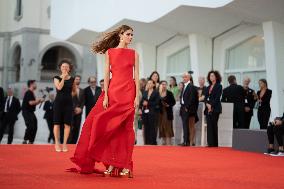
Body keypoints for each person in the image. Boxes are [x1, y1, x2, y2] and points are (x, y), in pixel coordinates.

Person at [71, 25, 139, 178]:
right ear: (121, 35)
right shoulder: (110, 53)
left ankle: (126, 165)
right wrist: (106, 95)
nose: (130, 37)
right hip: (113, 93)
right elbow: (107, 76)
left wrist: (137, 97)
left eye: (132, 35)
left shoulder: (134, 54)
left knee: (126, 129)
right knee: (98, 123)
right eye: (128, 34)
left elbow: (137, 77)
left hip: (128, 93)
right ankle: (111, 163)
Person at [53, 59, 76, 152]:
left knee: (67, 124)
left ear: (69, 68)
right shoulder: (56, 78)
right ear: (60, 68)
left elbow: (74, 91)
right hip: (58, 103)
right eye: (63, 67)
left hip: (68, 104)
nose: (65, 68)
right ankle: (57, 143)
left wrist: (68, 97)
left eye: (66, 67)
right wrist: (63, 77)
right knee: (57, 124)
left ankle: (65, 144)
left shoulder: (72, 79)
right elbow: (59, 87)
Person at [179, 72, 199, 146]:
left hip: (189, 109)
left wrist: (187, 107)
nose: (184, 78)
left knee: (190, 126)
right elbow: (183, 97)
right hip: (184, 108)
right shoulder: (184, 86)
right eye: (183, 77)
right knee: (185, 126)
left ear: (189, 78)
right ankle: (185, 141)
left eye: (185, 77)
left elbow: (192, 99)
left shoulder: (191, 87)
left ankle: (189, 142)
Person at [22, 80, 44, 144]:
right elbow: (31, 103)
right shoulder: (29, 92)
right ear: (31, 84)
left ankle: (31, 141)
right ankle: (25, 140)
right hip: (27, 111)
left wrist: (39, 101)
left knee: (34, 126)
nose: (36, 85)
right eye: (35, 84)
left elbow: (33, 103)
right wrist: (39, 100)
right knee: (30, 126)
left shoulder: (31, 93)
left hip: (31, 112)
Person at [204, 71, 222, 147]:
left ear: (216, 77)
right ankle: (210, 143)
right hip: (208, 108)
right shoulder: (207, 87)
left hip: (215, 108)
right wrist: (207, 104)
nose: (212, 77)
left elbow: (217, 98)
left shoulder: (219, 86)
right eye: (210, 76)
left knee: (214, 125)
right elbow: (205, 97)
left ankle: (215, 144)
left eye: (213, 76)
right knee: (209, 126)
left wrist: (211, 105)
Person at [139, 79, 160, 145]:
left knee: (152, 127)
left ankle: (153, 142)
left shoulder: (156, 92)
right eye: (148, 83)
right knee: (146, 126)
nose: (149, 84)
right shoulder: (145, 92)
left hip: (152, 112)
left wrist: (148, 103)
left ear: (153, 84)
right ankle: (147, 142)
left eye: (151, 83)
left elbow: (157, 102)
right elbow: (142, 101)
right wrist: (140, 108)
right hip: (145, 112)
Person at [158, 81, 176, 145]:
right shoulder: (158, 93)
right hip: (160, 113)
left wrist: (169, 105)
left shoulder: (170, 93)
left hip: (167, 112)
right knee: (162, 127)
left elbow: (174, 102)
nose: (164, 85)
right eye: (162, 84)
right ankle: (163, 143)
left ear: (167, 85)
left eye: (165, 84)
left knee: (168, 127)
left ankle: (169, 144)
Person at [69, 75, 85, 144]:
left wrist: (81, 108)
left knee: (77, 128)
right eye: (76, 79)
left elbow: (83, 101)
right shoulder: (70, 89)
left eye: (79, 79)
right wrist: (74, 108)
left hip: (79, 113)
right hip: (71, 112)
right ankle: (68, 143)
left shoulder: (82, 90)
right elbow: (69, 100)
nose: (77, 80)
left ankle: (74, 144)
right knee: (70, 128)